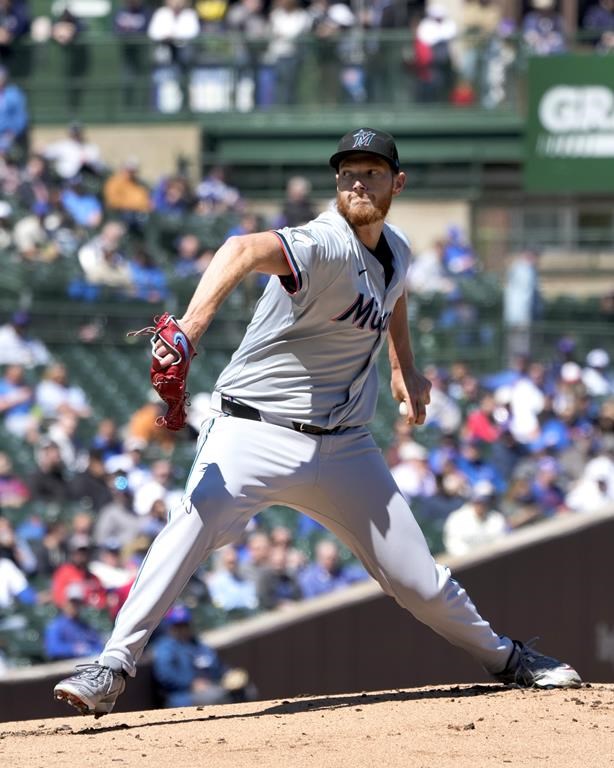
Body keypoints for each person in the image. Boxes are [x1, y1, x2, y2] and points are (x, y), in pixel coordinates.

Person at [53, 127, 581, 718]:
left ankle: (507, 658)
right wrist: (190, 327)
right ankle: (111, 665)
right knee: (191, 526)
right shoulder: (323, 241)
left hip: (346, 448)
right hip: (253, 429)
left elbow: (395, 292)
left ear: (396, 183)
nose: (358, 182)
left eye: (372, 172)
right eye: (348, 172)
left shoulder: (397, 250)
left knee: (419, 583)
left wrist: (405, 365)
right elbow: (239, 250)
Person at [44, 581, 105, 661]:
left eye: (78, 603)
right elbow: (53, 649)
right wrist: (74, 649)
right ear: (65, 603)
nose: (75, 606)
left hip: (87, 666)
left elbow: (98, 645)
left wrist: (91, 650)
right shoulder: (56, 625)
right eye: (72, 602)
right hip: (66, 668)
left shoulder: (84, 626)